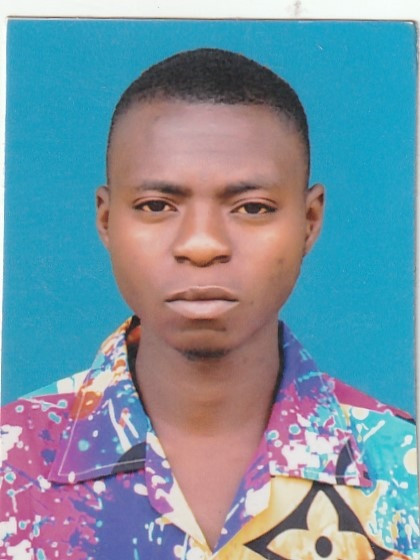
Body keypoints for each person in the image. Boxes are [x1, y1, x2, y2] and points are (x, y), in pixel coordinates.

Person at [0, 48, 418, 560]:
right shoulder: (11, 463)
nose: (202, 245)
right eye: (157, 206)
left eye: (252, 208)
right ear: (106, 220)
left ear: (309, 222)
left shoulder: (404, 471)